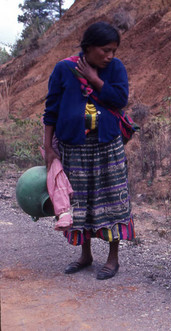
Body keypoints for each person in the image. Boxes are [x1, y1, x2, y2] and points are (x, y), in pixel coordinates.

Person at [43, 21, 134, 280]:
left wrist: (94, 79)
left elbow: (120, 99)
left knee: (112, 200)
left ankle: (112, 259)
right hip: (74, 146)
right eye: (105, 50)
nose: (110, 56)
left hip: (107, 145)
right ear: (89, 47)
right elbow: (51, 110)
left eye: (113, 50)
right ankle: (85, 255)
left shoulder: (114, 69)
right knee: (79, 201)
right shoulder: (64, 68)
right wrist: (49, 148)